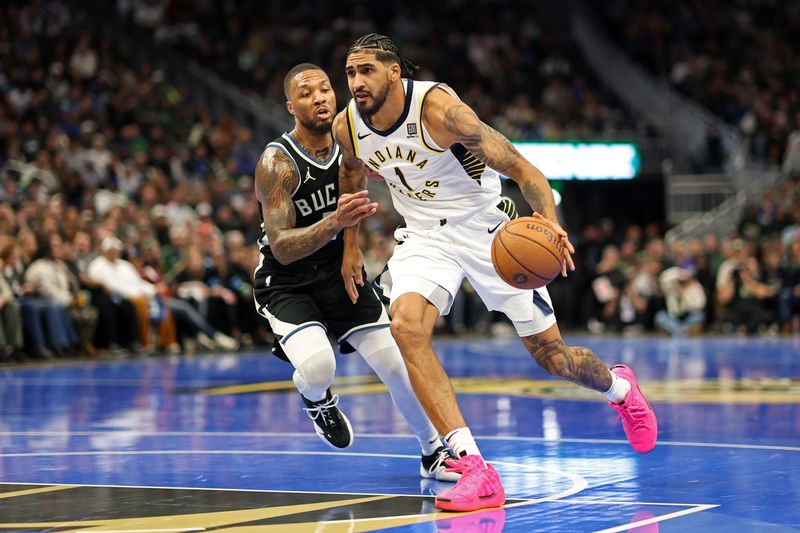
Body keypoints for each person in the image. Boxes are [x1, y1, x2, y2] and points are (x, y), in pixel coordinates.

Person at [332, 33, 658, 512]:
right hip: (425, 236)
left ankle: (621, 389)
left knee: (554, 359)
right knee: (405, 328)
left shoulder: (442, 112)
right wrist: (349, 247)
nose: (356, 82)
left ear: (395, 71)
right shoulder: (347, 127)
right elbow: (351, 175)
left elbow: (524, 170)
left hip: (488, 231)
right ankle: (475, 467)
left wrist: (549, 222)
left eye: (366, 71)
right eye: (350, 73)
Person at [251, 63, 458, 482]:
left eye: (326, 89)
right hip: (287, 281)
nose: (321, 98)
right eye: (307, 94)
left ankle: (432, 452)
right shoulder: (278, 163)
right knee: (317, 368)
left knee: (397, 364)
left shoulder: (351, 137)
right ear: (291, 106)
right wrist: (335, 223)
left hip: (338, 271)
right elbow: (282, 247)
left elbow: (353, 194)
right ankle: (317, 400)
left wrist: (350, 248)